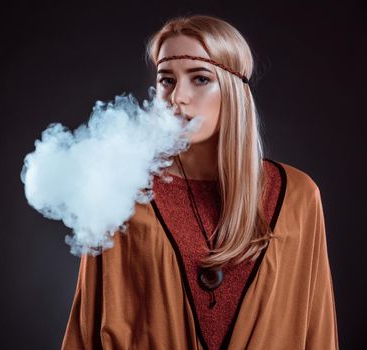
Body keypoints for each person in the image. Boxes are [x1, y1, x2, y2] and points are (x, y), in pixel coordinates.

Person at [61, 14, 339, 349]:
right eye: (167, 80)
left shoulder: (297, 195)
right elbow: (87, 329)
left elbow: (317, 329)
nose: (178, 97)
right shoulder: (121, 192)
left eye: (200, 79)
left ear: (234, 90)